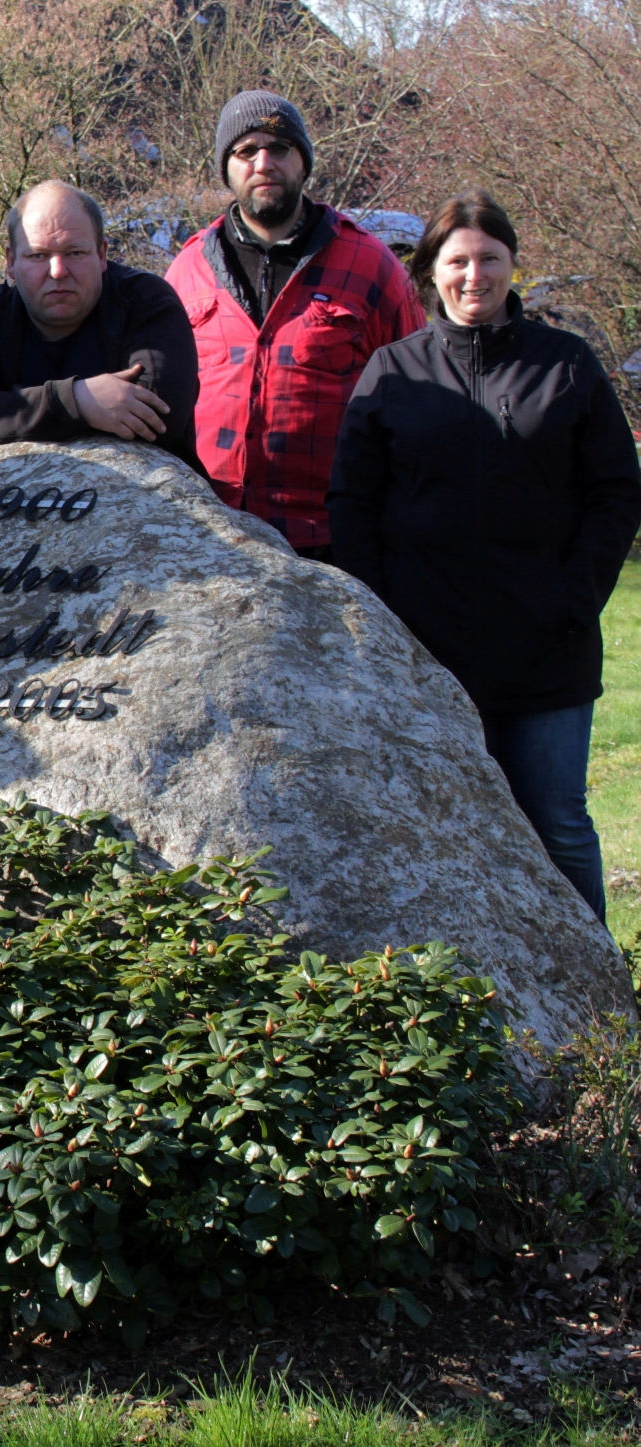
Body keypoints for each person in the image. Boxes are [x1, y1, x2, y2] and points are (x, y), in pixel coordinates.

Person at [329, 190, 641, 922]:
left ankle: (602, 1013)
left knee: (558, 825)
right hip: (428, 654)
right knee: (442, 832)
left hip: (547, 647)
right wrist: (383, 612)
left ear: (512, 264)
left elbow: (616, 493)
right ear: (431, 271)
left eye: (489, 259)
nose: (475, 276)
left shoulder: (565, 366)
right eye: (457, 261)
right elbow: (352, 502)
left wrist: (575, 595)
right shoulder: (392, 372)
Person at [167, 90, 425, 558]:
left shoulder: (373, 267)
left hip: (333, 542)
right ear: (226, 169)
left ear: (303, 162)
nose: (263, 162)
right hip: (209, 536)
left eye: (279, 148)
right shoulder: (188, 271)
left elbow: (419, 403)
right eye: (246, 151)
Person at [0, 180, 199, 469]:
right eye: (38, 255)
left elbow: (160, 413)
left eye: (75, 253)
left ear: (102, 254)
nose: (58, 271)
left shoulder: (146, 301)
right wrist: (77, 401)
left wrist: (18, 415)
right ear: (11, 261)